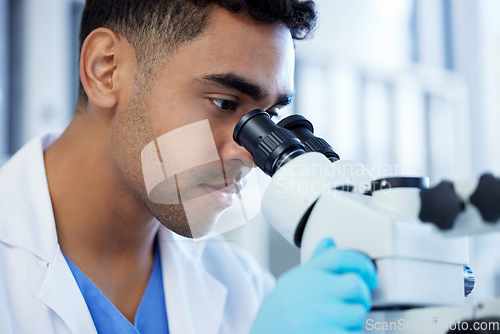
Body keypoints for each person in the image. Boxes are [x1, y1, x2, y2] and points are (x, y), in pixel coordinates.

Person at [0, 0, 378, 333]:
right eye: (224, 103)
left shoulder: (245, 290)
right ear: (106, 70)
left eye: (269, 116)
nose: (249, 154)